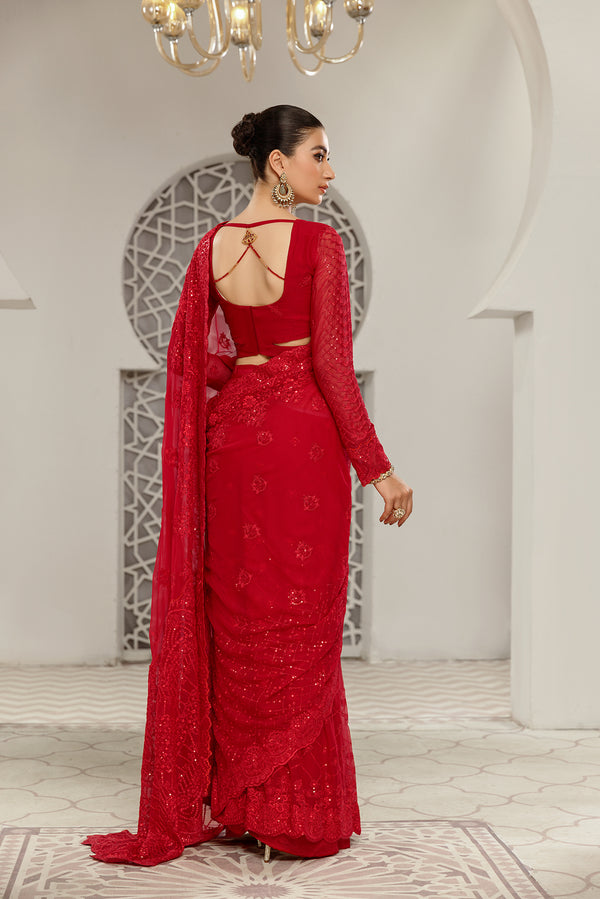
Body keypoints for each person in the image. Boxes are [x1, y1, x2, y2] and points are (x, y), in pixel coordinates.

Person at [83, 104, 413, 867]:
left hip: (230, 444)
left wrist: (241, 378)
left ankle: (244, 804)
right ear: (277, 163)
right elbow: (332, 368)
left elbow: (200, 363)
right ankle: (291, 813)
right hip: (303, 443)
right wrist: (379, 468)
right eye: (318, 155)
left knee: (239, 616)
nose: (329, 171)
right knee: (300, 619)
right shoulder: (321, 245)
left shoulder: (211, 249)